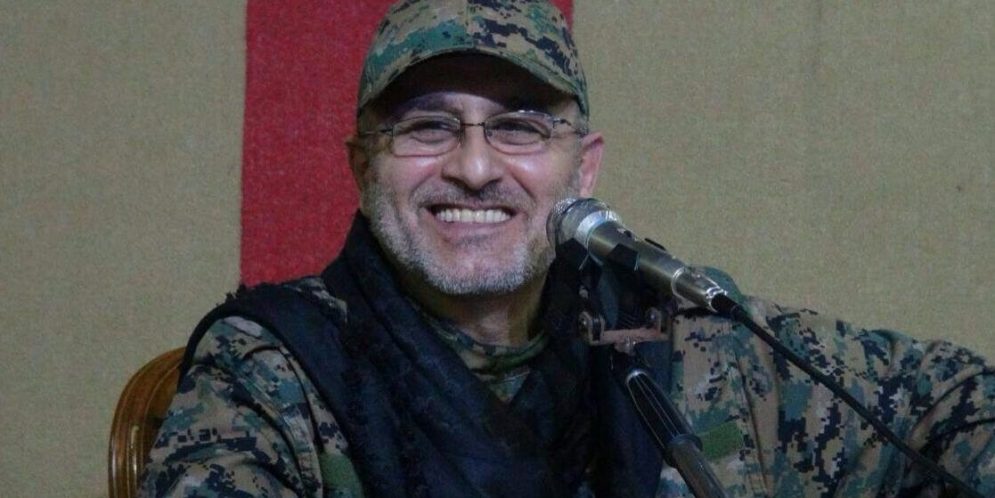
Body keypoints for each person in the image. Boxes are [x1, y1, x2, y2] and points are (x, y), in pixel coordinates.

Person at [139, 1, 995, 497]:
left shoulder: (684, 339)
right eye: (427, 126)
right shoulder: (275, 371)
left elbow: (953, 404)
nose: (474, 168)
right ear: (362, 166)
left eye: (518, 126)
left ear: (581, 168)